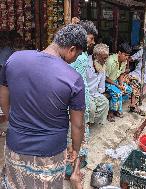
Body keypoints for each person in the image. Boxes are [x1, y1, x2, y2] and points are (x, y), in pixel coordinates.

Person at [0, 24, 87, 188]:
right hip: (50, 152)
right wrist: (75, 149)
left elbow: (3, 96)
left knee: (15, 184)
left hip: (16, 144)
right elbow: (77, 124)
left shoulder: (14, 59)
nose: (76, 59)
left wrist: (13, 119)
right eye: (78, 54)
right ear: (72, 49)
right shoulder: (73, 78)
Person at [68, 20, 98, 168]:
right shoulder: (74, 55)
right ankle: (73, 165)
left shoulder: (83, 54)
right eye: (90, 38)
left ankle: (79, 159)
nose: (92, 42)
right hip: (75, 102)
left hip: (82, 99)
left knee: (81, 130)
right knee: (75, 132)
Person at [105, 45, 132, 122]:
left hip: (115, 81)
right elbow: (105, 77)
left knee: (128, 90)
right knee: (117, 93)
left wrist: (121, 84)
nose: (126, 57)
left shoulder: (124, 61)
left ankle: (116, 108)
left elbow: (121, 74)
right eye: (125, 55)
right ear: (119, 53)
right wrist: (117, 86)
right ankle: (111, 112)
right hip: (106, 82)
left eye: (128, 56)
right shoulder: (110, 61)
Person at [87, 43, 109, 126]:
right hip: (84, 93)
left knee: (105, 102)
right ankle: (86, 123)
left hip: (95, 93)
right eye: (103, 58)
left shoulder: (102, 65)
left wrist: (101, 94)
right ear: (96, 56)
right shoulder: (85, 63)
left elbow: (101, 85)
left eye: (106, 58)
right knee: (91, 107)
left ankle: (92, 121)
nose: (105, 60)